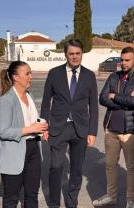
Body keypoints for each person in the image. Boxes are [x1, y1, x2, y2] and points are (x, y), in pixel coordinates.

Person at [41, 39, 98, 208]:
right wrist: (44, 126)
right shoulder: (54, 73)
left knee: (76, 170)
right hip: (58, 127)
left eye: (77, 53)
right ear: (66, 54)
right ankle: (53, 203)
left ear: (82, 54)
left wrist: (92, 132)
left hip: (80, 129)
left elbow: (93, 105)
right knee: (56, 167)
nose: (74, 57)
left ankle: (72, 202)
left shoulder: (89, 75)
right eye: (71, 53)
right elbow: (45, 102)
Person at [93, 46, 134, 208]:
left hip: (130, 131)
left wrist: (114, 96)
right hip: (111, 129)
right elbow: (102, 98)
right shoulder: (113, 76)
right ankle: (111, 196)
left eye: (127, 60)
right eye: (122, 60)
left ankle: (130, 200)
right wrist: (122, 101)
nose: (123, 63)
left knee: (131, 167)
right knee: (110, 165)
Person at [0, 61, 48, 208]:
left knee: (32, 194)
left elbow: (31, 120)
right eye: (27, 73)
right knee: (11, 198)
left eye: (30, 73)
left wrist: (42, 127)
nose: (31, 76)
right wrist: (31, 129)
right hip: (14, 153)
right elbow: (4, 131)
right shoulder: (6, 100)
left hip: (33, 149)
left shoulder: (29, 95)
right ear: (16, 77)